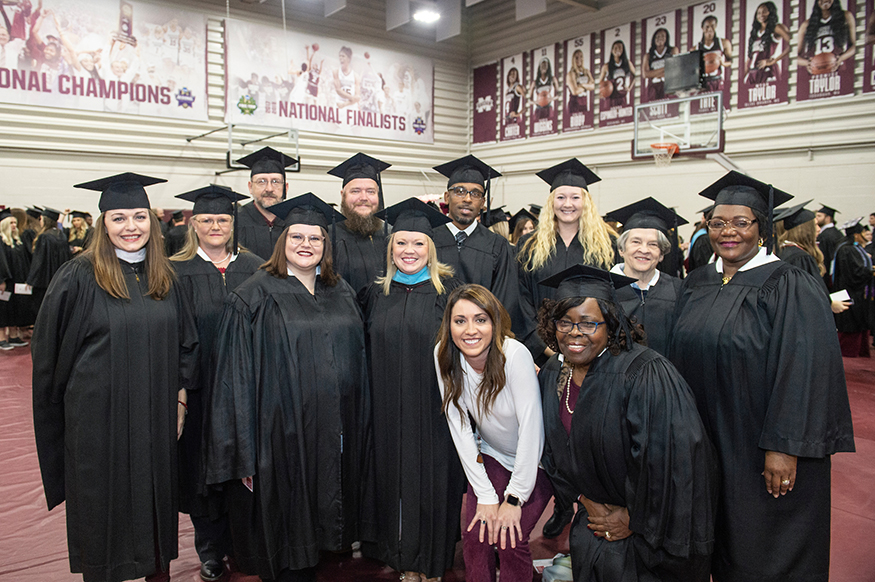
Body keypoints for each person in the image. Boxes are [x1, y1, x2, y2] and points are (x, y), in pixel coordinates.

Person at [669, 171, 855, 582]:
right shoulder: (697, 282)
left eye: (741, 222)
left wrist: (783, 447)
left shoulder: (789, 284)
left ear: (762, 227)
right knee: (712, 537)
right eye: (717, 223)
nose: (727, 231)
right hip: (707, 440)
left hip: (758, 444)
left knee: (759, 545)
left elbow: (804, 369)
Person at [32, 172, 198, 582]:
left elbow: (187, 345)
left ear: (153, 222)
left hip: (155, 418)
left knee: (154, 501)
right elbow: (48, 356)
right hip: (97, 422)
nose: (131, 227)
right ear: (102, 223)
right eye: (119, 218)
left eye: (139, 217)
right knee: (102, 507)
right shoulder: (78, 276)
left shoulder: (166, 279)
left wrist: (180, 398)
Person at [204, 193, 371, 582]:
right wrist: (242, 451)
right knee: (286, 528)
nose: (306, 245)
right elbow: (234, 379)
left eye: (315, 239)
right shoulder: (252, 296)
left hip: (333, 428)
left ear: (326, 246)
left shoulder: (340, 290)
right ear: (282, 241)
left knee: (325, 509)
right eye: (296, 237)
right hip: (278, 433)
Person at [537, 264, 717, 582]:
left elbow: (674, 462)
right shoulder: (554, 371)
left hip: (650, 536)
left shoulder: (644, 373)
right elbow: (553, 450)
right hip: (592, 524)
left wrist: (632, 517)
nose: (574, 333)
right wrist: (585, 501)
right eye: (564, 322)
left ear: (612, 324)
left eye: (589, 323)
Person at [359, 198, 464, 582]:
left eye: (418, 244)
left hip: (434, 408)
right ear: (390, 249)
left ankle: (431, 561)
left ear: (431, 249)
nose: (409, 251)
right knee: (390, 481)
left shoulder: (451, 292)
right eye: (401, 243)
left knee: (433, 482)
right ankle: (400, 556)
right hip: (385, 407)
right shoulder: (374, 293)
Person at [169, 184, 262, 582]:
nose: (214, 225)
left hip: (247, 391)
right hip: (200, 390)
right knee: (202, 470)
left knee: (245, 468)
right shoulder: (175, 270)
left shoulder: (257, 268)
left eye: (222, 219)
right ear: (194, 224)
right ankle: (210, 548)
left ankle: (243, 545)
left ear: (233, 222)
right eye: (206, 219)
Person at [435, 284, 551, 582]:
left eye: (481, 319)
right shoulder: (444, 355)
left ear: (495, 322)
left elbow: (531, 428)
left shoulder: (514, 355)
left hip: (539, 460)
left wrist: (514, 499)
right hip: (494, 453)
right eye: (460, 320)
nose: (469, 330)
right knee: (476, 534)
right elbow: (458, 426)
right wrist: (486, 494)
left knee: (509, 538)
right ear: (449, 325)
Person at [516, 158, 615, 366]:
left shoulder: (607, 245)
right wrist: (543, 347)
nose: (567, 204)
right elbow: (520, 299)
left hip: (594, 352)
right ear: (552, 201)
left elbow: (613, 299)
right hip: (540, 356)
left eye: (575, 197)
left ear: (586, 202)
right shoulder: (529, 245)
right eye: (560, 197)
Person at [431, 155, 522, 333]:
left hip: (481, 338)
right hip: (434, 336)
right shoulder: (429, 241)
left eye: (476, 193)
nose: (467, 199)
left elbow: (505, 300)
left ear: (483, 203)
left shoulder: (497, 245)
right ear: (447, 197)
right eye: (459, 191)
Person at [605, 197, 686, 357]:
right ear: (621, 249)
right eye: (636, 242)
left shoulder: (678, 290)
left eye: (653, 244)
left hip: (666, 377)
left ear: (661, 254)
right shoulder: (604, 289)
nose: (644, 250)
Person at [772, 199, 851, 317]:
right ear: (805, 229)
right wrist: (830, 303)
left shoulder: (786, 251)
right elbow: (809, 295)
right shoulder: (800, 257)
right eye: (815, 225)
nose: (819, 229)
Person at [327, 152, 392, 295]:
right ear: (342, 195)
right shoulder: (328, 236)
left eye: (371, 192)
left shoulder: (391, 235)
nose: (364, 198)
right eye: (355, 191)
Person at [234, 146, 298, 260]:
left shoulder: (296, 221)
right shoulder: (235, 221)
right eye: (261, 182)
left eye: (275, 182)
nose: (269, 188)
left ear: (285, 187)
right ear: (250, 187)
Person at [831, 217, 875, 358]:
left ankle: (861, 351)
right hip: (851, 291)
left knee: (860, 320)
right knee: (852, 320)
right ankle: (850, 352)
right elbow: (854, 273)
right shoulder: (847, 250)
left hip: (858, 291)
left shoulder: (853, 248)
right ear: (856, 234)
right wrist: (870, 272)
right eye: (863, 232)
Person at [0, 208, 34, 349]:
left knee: (14, 309)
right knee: (3, 310)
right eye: (11, 223)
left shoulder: (17, 241)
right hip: (5, 282)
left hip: (16, 281)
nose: (14, 225)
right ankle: (2, 338)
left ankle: (14, 336)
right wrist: (1, 280)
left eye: (15, 222)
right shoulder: (1, 241)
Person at [27, 206, 72, 313]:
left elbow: (39, 261)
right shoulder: (61, 235)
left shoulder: (45, 237)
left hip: (44, 281)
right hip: (58, 279)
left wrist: (31, 280)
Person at [797, 0, 856, 74]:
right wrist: (807, 63)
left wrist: (841, 58)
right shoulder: (806, 24)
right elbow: (795, 57)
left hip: (838, 70)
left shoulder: (846, 16)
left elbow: (855, 46)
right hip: (815, 73)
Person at [743, 2, 791, 85]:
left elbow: (792, 43)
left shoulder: (776, 27)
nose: (761, 14)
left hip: (767, 71)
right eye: (759, 13)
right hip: (753, 73)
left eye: (764, 11)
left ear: (771, 12)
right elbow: (749, 58)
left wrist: (773, 61)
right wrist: (741, 78)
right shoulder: (755, 34)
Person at [697, 15, 733, 92]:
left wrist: (723, 63)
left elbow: (732, 62)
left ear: (716, 26)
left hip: (717, 81)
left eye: (712, 26)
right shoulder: (696, 47)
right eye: (707, 27)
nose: (710, 29)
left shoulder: (723, 43)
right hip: (704, 82)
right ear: (702, 28)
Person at [642, 27, 679, 101]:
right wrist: (666, 68)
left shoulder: (672, 50)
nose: (660, 38)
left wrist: (653, 73)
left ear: (666, 38)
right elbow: (645, 74)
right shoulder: (648, 55)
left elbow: (674, 70)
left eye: (662, 36)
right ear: (653, 39)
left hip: (668, 86)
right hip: (653, 88)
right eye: (657, 37)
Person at [597, 40, 636, 108]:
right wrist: (602, 92)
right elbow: (600, 82)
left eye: (620, 47)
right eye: (615, 48)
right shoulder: (606, 66)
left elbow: (635, 75)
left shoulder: (627, 63)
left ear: (623, 50)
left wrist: (629, 87)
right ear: (612, 50)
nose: (618, 49)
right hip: (611, 97)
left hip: (622, 96)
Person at [816, 203, 843, 289]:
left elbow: (826, 258)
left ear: (828, 218)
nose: (816, 219)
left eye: (819, 216)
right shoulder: (837, 232)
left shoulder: (826, 235)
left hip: (827, 276)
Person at [565, 48, 594, 116]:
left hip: (584, 103)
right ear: (573, 59)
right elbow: (575, 91)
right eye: (576, 58)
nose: (579, 59)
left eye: (581, 57)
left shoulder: (586, 71)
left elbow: (593, 86)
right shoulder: (571, 73)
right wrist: (587, 86)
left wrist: (582, 85)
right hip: (574, 104)